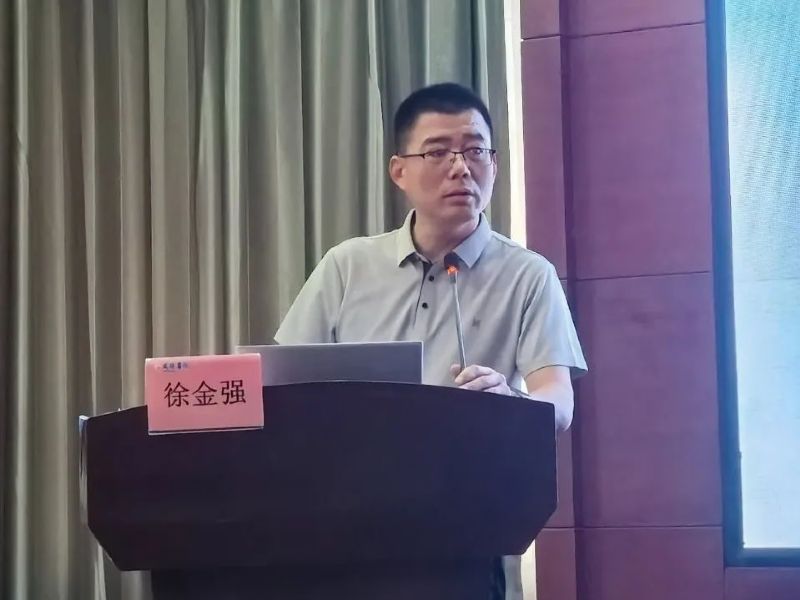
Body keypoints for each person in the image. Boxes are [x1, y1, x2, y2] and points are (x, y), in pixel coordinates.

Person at [274, 82, 587, 599]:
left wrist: (511, 401)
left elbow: (558, 400)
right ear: (399, 171)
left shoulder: (529, 275)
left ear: (494, 164)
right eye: (438, 152)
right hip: (341, 525)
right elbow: (282, 385)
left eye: (475, 151)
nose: (461, 168)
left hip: (461, 532)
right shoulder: (347, 266)